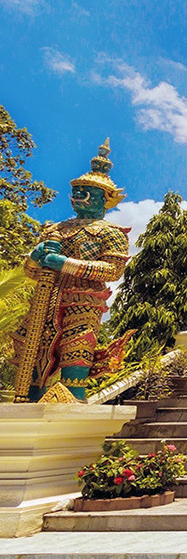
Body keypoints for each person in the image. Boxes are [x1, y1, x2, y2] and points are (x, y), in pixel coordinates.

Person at [11, 141, 130, 402]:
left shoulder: (110, 233)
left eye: (86, 192)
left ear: (103, 199)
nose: (78, 197)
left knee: (75, 354)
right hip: (47, 299)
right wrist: (35, 257)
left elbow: (113, 270)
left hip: (83, 302)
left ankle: (73, 402)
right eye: (76, 191)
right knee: (35, 356)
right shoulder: (56, 229)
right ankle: (32, 400)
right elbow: (32, 270)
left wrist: (64, 263)